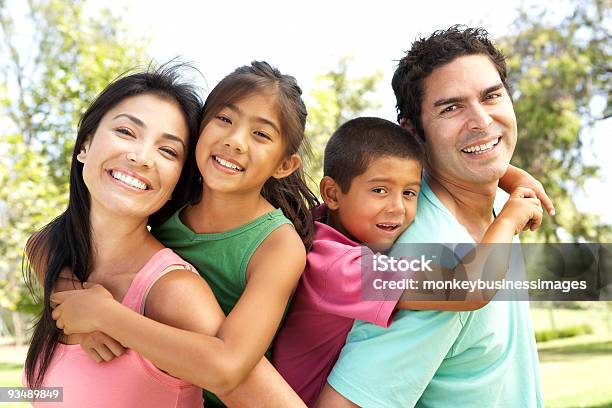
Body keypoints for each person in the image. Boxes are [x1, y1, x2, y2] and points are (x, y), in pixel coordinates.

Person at [49, 61, 318, 407]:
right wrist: (68, 292)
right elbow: (48, 240)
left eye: (261, 134)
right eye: (224, 119)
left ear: (284, 165)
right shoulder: (167, 205)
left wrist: (105, 316)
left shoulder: (277, 245)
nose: (235, 141)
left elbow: (227, 366)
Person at [317, 26, 546, 407]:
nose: (482, 121)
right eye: (451, 108)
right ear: (414, 132)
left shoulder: (491, 209)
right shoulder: (436, 256)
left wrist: (515, 178)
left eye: (491, 96)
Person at [273, 117, 544, 406]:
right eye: (379, 190)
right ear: (332, 193)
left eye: (409, 193)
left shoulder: (326, 224)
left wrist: (513, 177)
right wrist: (507, 220)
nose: (397, 208)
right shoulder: (338, 268)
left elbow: (437, 165)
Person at [23, 64, 207, 407]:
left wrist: (109, 319)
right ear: (84, 146)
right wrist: (68, 290)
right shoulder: (56, 255)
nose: (141, 157)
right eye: (126, 131)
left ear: (175, 186)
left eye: (167, 151)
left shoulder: (173, 292)